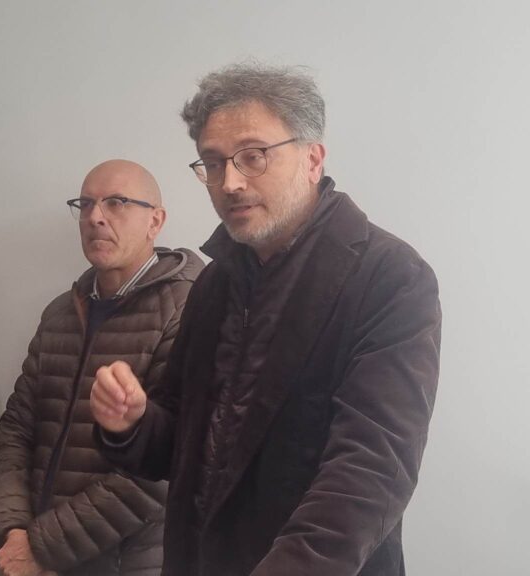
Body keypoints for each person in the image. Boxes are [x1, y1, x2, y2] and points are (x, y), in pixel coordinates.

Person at [90, 64, 442, 575]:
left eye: (253, 156)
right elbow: (182, 451)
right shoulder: (215, 283)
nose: (230, 182)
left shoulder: (390, 277)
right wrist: (134, 423)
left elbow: (372, 470)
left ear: (312, 158)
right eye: (213, 162)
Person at [0, 160, 204, 576]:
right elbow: (17, 430)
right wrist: (11, 531)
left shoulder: (190, 309)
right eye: (85, 204)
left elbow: (167, 464)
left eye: (116, 202)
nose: (95, 217)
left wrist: (43, 547)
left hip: (127, 564)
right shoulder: (61, 313)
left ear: (155, 221)